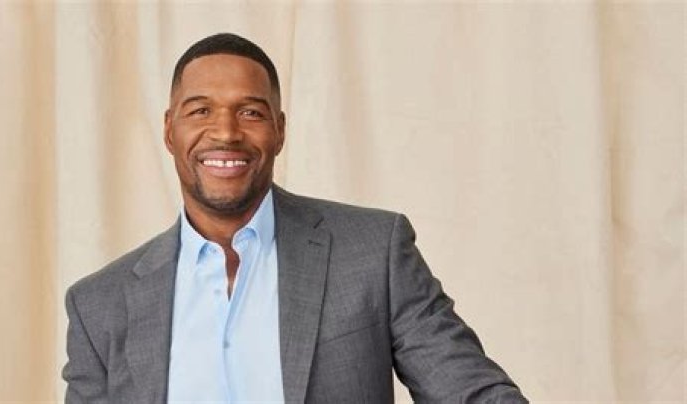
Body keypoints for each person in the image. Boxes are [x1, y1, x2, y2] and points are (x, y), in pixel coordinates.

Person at [62, 33, 528, 403]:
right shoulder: (99, 306)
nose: (226, 132)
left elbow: (472, 394)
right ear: (169, 130)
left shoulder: (374, 253)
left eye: (250, 112)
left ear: (280, 130)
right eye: (201, 110)